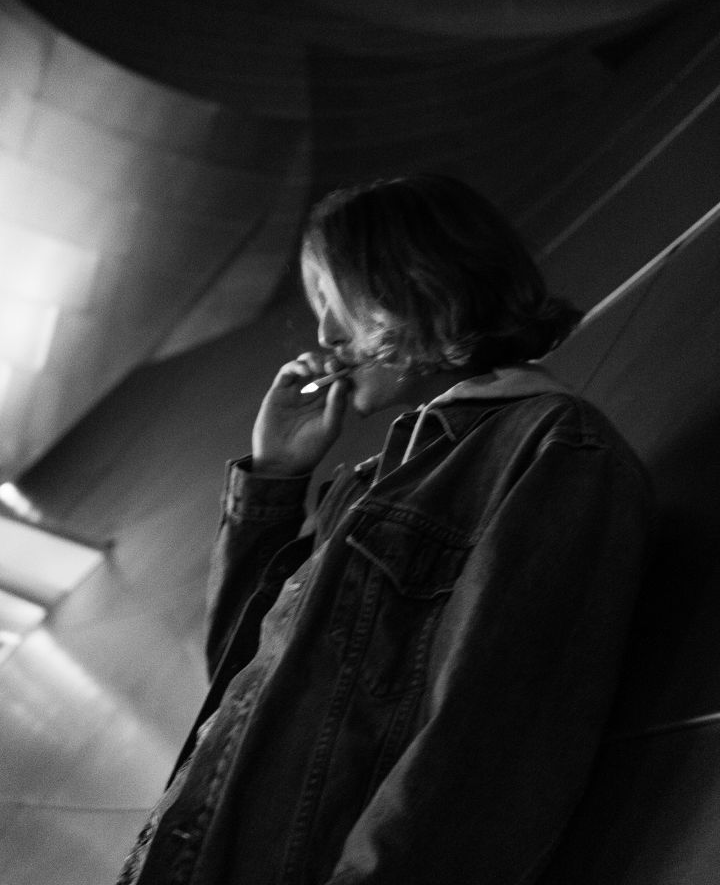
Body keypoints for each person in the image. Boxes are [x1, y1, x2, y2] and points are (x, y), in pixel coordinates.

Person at [117, 173, 652, 884]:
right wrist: (274, 478)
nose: (325, 336)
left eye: (336, 301)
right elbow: (239, 681)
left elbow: (486, 746)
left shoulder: (553, 447)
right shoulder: (367, 482)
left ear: (418, 286)